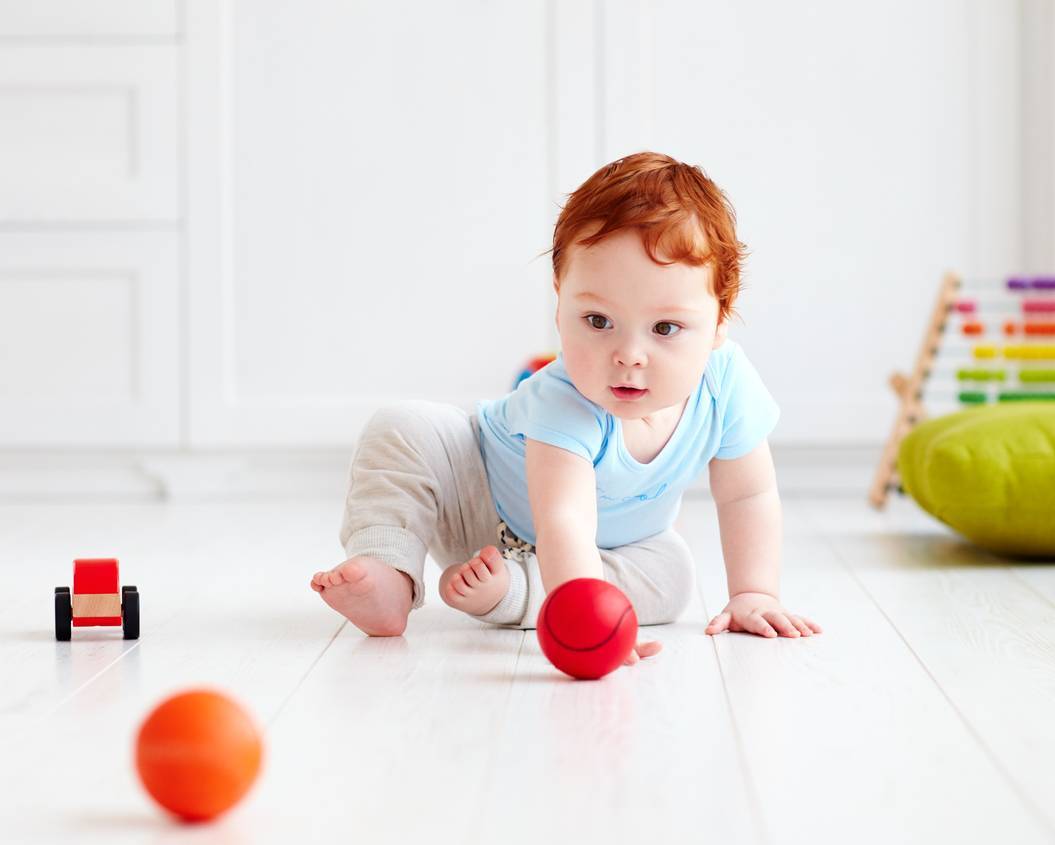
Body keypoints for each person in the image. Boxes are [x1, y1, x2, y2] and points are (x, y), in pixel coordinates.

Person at [311, 151, 821, 666]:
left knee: (672, 577)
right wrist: (590, 619)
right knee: (405, 427)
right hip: (475, 497)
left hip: (599, 551)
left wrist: (755, 592)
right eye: (598, 321)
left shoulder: (726, 386)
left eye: (665, 328)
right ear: (560, 302)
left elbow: (748, 495)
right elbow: (565, 520)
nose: (627, 354)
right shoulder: (564, 397)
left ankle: (514, 592)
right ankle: (387, 571)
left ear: (719, 323)